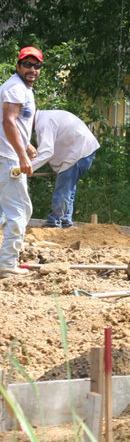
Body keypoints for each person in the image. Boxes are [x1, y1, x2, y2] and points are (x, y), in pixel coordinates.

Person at [0, 47, 42, 277]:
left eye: (36, 66)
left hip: (7, 156)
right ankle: (6, 263)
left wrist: (25, 144)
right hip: (9, 161)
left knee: (4, 211)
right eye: (27, 64)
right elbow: (8, 121)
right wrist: (22, 156)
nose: (32, 69)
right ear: (18, 66)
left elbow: (9, 123)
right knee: (19, 211)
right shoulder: (16, 88)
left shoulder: (18, 87)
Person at [31, 110, 100, 229]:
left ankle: (54, 222)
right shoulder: (45, 119)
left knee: (63, 189)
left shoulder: (43, 123)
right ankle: (65, 221)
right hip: (82, 151)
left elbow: (46, 152)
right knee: (68, 189)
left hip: (79, 152)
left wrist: (28, 168)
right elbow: (44, 149)